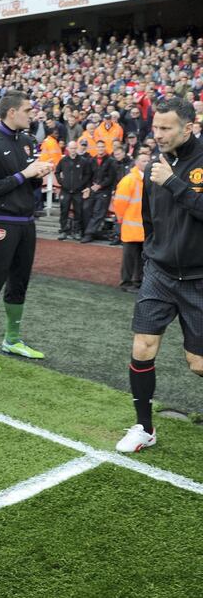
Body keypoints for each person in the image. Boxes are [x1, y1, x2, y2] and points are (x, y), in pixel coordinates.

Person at [117, 99, 203, 452]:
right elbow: (149, 221)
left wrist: (174, 183)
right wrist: (154, 255)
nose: (159, 134)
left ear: (188, 127)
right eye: (156, 127)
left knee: (198, 364)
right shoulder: (154, 167)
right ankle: (144, 427)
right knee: (142, 346)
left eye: (166, 128)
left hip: (200, 277)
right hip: (160, 272)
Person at [0, 90, 52, 372]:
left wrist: (37, 176)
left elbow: (24, 183)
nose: (33, 115)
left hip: (25, 221)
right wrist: (24, 175)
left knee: (20, 281)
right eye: (28, 110)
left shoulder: (27, 141)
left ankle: (12, 339)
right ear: (12, 112)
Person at [112, 153, 147, 293]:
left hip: (142, 228)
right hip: (132, 226)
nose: (147, 162)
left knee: (141, 258)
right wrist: (121, 220)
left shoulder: (145, 180)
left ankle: (137, 282)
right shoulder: (129, 180)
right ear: (137, 163)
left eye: (148, 160)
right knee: (129, 258)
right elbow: (119, 203)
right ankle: (126, 282)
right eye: (144, 160)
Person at [80, 140, 116, 243]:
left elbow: (111, 177)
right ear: (96, 148)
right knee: (86, 208)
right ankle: (88, 231)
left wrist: (100, 185)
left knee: (98, 212)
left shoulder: (110, 161)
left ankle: (89, 234)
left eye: (102, 147)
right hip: (92, 189)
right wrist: (88, 188)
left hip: (104, 190)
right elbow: (88, 176)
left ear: (105, 148)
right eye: (99, 147)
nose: (100, 149)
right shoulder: (92, 160)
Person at [55, 141, 90, 240]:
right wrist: (61, 182)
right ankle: (63, 231)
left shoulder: (83, 161)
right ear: (67, 149)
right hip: (65, 190)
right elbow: (57, 172)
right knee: (64, 211)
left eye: (74, 148)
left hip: (78, 191)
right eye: (71, 148)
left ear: (77, 148)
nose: (73, 150)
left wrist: (81, 183)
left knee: (78, 212)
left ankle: (77, 231)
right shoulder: (63, 160)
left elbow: (87, 174)